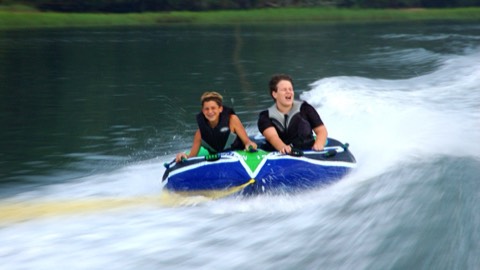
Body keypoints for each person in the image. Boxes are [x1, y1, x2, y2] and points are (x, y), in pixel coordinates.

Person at [175, 91, 257, 162]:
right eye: (206, 109)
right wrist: (183, 156)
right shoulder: (199, 134)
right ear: (203, 111)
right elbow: (191, 157)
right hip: (217, 160)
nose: (210, 112)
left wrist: (250, 145)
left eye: (213, 108)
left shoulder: (232, 120)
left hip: (238, 153)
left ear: (220, 109)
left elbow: (247, 142)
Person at [257, 74, 328, 154]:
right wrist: (282, 147)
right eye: (284, 90)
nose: (288, 92)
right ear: (275, 94)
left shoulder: (305, 108)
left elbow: (321, 130)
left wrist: (319, 144)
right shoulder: (265, 116)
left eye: (290, 89)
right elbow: (272, 137)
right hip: (279, 154)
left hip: (307, 151)